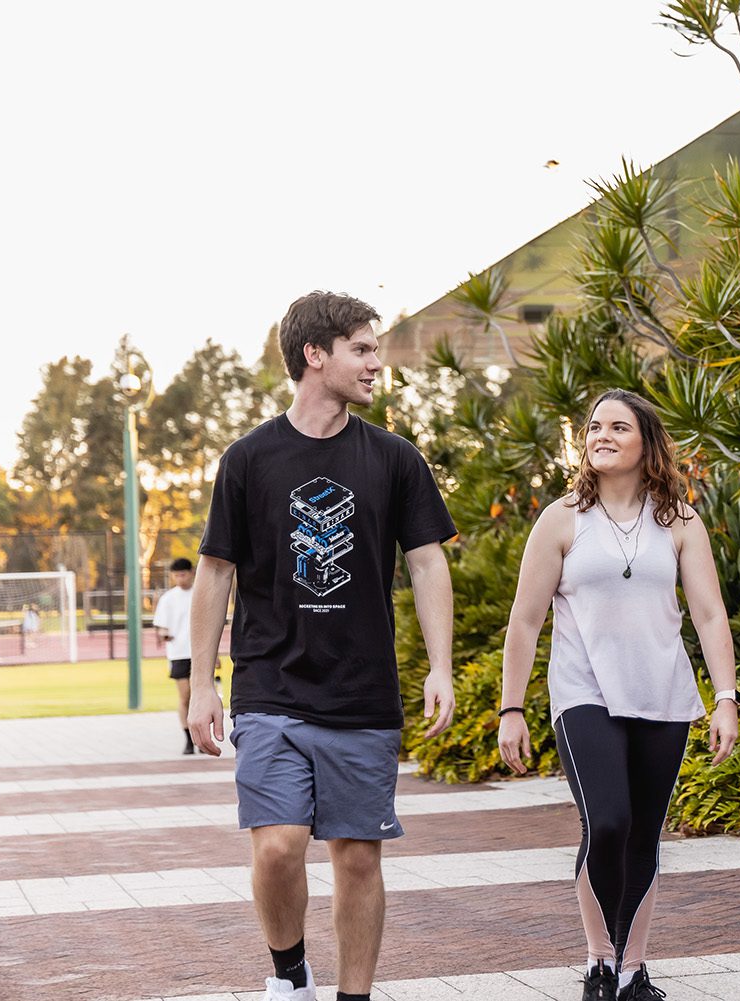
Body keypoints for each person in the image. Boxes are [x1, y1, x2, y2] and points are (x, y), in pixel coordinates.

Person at [186, 291, 458, 1001]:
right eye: (361, 349)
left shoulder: (395, 459)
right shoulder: (248, 459)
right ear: (315, 354)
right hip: (270, 685)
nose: (375, 363)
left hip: (362, 690)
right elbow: (215, 571)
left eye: (375, 350)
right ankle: (290, 974)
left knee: (358, 859)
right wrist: (203, 683)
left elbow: (428, 562)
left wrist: (441, 666)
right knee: (278, 846)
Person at [496, 389, 740, 1001]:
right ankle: (599, 959)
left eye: (618, 427)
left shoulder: (679, 522)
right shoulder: (561, 520)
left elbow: (710, 614)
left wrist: (726, 697)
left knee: (643, 834)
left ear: (646, 443)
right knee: (607, 822)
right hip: (584, 692)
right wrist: (511, 708)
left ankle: (630, 970)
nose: (601, 435)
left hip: (663, 693)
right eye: (594, 426)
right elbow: (524, 621)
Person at [153, 557, 198, 753]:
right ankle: (188, 739)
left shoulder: (200, 593)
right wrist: (164, 634)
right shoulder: (168, 599)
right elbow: (162, 626)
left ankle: (202, 736)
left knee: (200, 696)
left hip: (199, 653)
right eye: (177, 575)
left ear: (192, 573)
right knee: (185, 696)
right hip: (179, 653)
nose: (180, 578)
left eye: (183, 574)